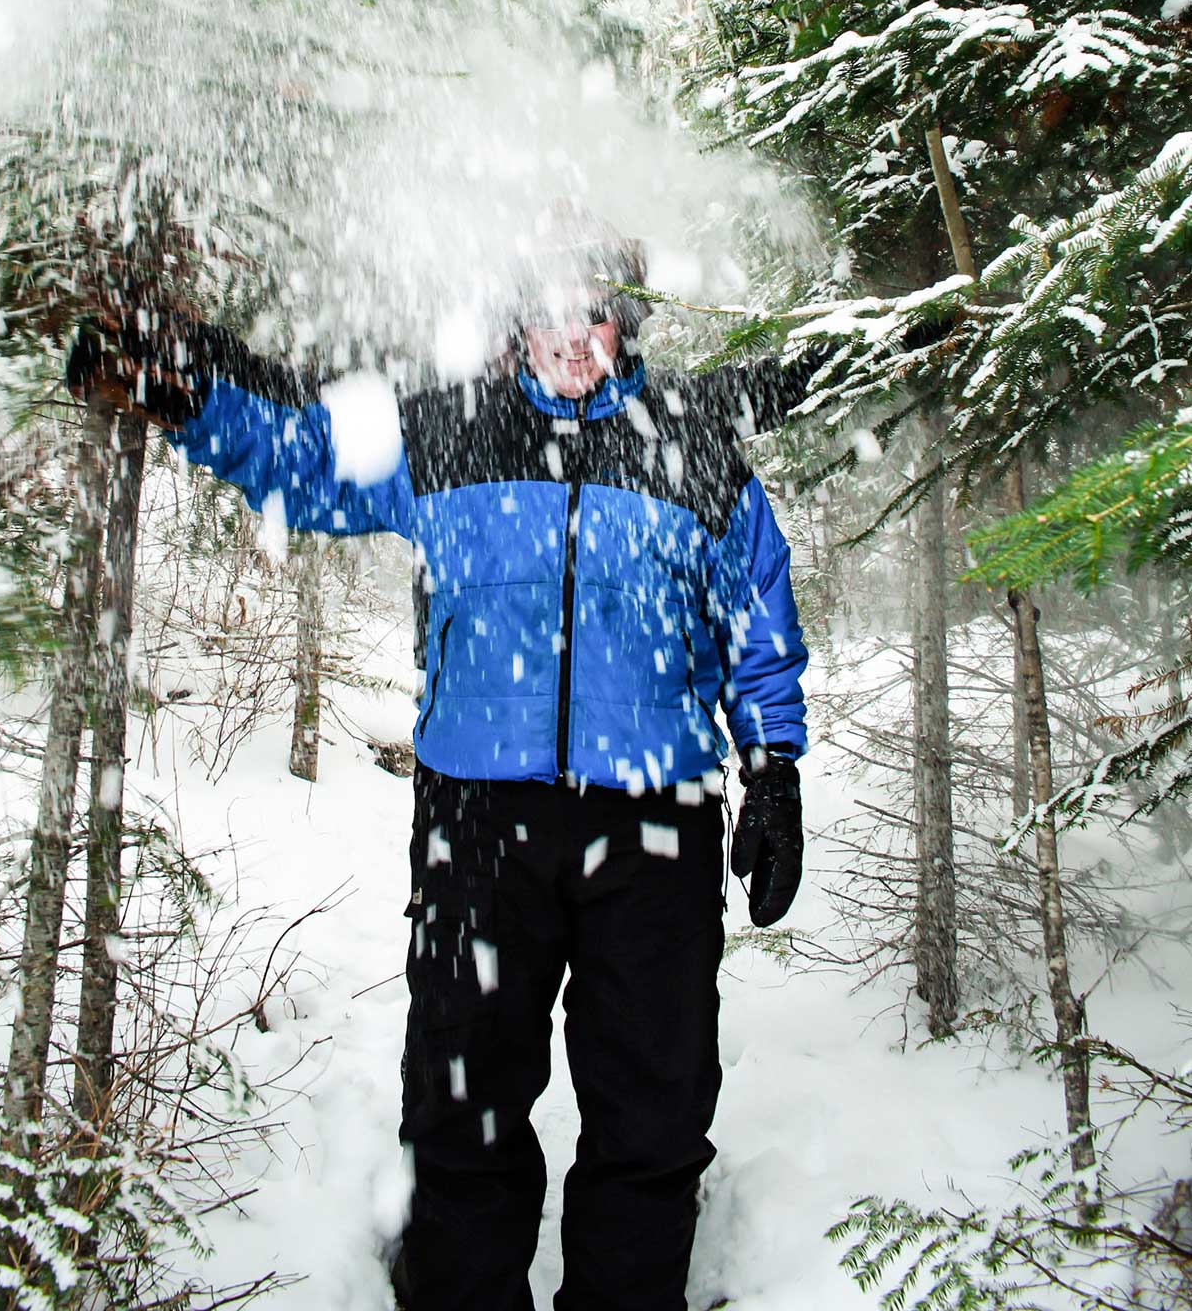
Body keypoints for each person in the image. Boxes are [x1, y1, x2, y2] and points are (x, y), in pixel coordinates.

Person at [66, 206, 812, 1311]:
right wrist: (184, 391)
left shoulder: (692, 445)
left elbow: (756, 620)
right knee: (461, 1108)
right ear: (518, 320)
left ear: (627, 324)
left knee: (650, 1117)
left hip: (656, 824)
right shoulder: (446, 431)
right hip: (478, 823)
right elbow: (299, 458)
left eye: (595, 315)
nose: (571, 337)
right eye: (551, 312)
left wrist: (775, 770)